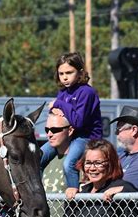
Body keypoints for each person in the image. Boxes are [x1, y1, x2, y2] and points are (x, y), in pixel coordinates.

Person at [40, 52, 102, 199]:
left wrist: (60, 105)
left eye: (69, 72)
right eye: (61, 73)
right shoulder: (63, 92)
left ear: (80, 72)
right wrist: (60, 109)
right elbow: (56, 114)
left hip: (86, 137)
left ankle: (73, 192)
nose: (65, 77)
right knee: (37, 157)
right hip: (68, 135)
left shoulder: (87, 92)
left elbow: (78, 122)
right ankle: (37, 191)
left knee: (69, 164)